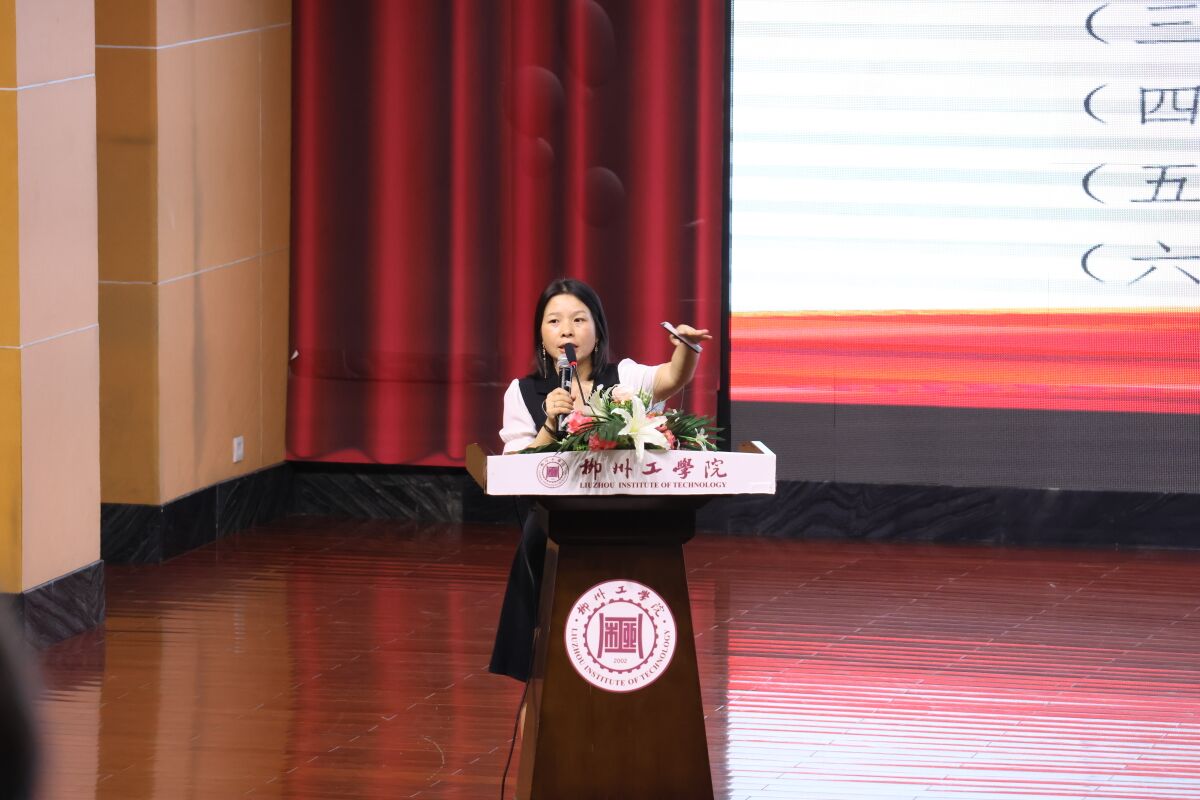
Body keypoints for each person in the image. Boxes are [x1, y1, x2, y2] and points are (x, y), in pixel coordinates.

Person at [488, 278, 710, 682]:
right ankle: (543, 688)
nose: (567, 331)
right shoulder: (524, 392)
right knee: (552, 645)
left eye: (578, 319)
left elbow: (670, 379)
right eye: (554, 321)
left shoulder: (623, 376)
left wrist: (686, 349)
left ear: (598, 329)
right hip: (554, 527)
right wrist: (550, 425)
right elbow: (516, 468)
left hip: (624, 521)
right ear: (541, 334)